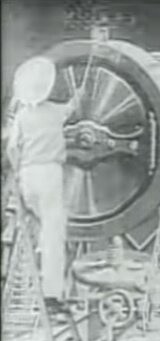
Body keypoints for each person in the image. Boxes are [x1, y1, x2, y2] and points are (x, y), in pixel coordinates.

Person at [6, 56, 78, 314]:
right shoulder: (54, 112)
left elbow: (12, 148)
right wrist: (79, 94)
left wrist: (18, 171)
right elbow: (72, 109)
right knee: (53, 234)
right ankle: (51, 294)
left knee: (35, 229)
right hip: (49, 173)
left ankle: (27, 287)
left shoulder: (22, 116)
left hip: (27, 174)